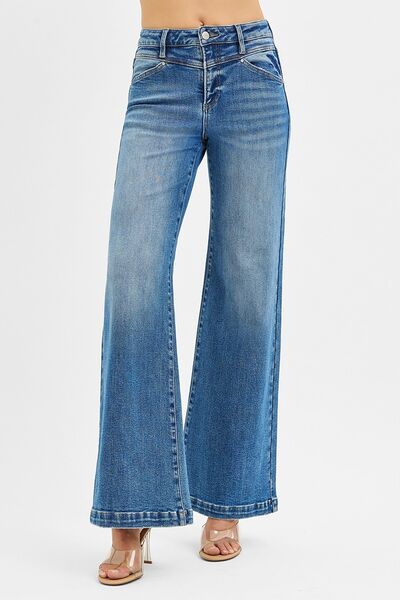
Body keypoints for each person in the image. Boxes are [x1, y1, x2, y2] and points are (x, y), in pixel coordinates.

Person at [90, 0, 290, 585]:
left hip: (251, 70)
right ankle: (132, 505)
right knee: (132, 279)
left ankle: (227, 495)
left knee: (246, 287)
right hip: (160, 73)